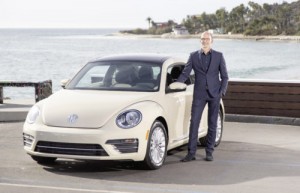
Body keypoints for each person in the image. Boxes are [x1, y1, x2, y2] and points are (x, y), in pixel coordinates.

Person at [177, 31, 229, 162]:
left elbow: (225, 77)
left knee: (212, 123)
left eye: (207, 39)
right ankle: (191, 153)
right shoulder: (193, 56)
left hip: (214, 94)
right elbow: (186, 73)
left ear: (211, 41)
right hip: (199, 94)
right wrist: (177, 83)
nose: (205, 41)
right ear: (200, 41)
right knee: (194, 122)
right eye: (202, 39)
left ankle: (209, 151)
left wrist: (221, 92)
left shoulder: (218, 56)